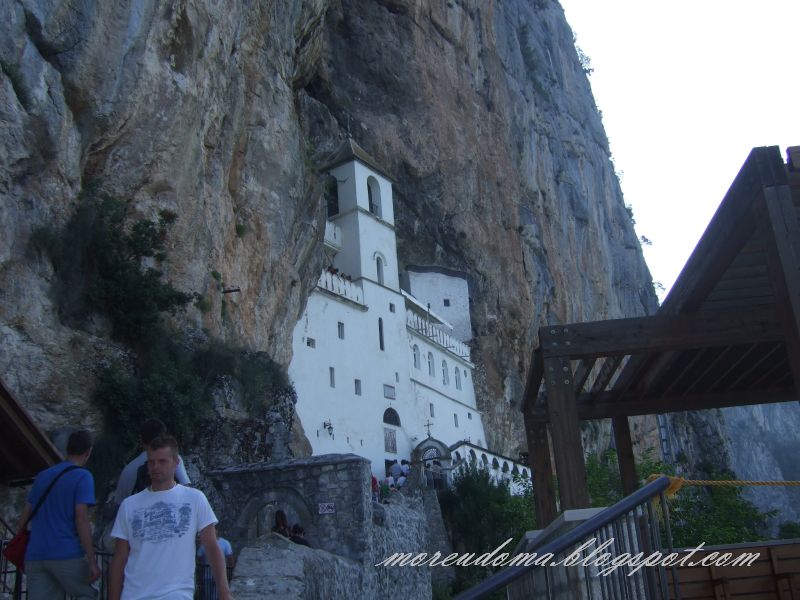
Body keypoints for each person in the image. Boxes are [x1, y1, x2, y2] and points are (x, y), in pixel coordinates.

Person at [109, 436, 232, 600]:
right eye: (151, 461)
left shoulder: (195, 499)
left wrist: (224, 593)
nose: (155, 466)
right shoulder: (129, 505)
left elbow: (211, 547)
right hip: (134, 595)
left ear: (176, 463)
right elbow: (120, 558)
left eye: (162, 461)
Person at [16, 429, 99, 600]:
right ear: (88, 452)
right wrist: (91, 559)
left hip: (35, 555)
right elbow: (81, 518)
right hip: (65, 553)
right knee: (86, 594)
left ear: (68, 449)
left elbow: (24, 516)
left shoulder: (43, 476)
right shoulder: (83, 477)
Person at [113, 419, 190, 505]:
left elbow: (120, 504)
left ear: (141, 440)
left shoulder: (128, 470)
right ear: (163, 438)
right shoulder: (172, 459)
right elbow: (186, 489)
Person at [197, 531, 234, 600]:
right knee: (208, 596)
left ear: (217, 531)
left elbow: (230, 559)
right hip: (207, 575)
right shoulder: (204, 543)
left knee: (216, 596)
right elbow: (199, 558)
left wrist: (229, 573)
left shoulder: (225, 543)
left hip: (220, 575)